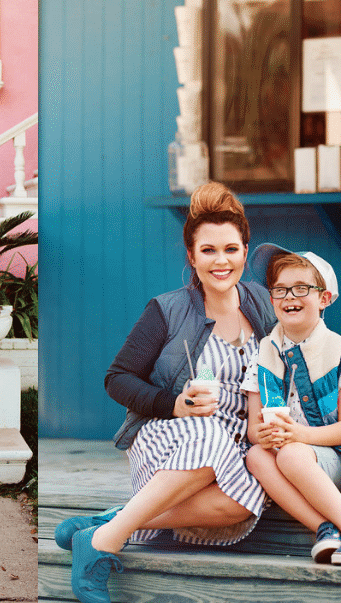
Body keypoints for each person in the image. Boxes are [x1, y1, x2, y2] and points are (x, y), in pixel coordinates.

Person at [54, 182, 276, 603]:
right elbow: (117, 378)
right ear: (192, 256)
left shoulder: (262, 305)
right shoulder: (168, 308)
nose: (221, 260)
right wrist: (174, 403)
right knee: (209, 439)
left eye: (231, 249)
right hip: (169, 434)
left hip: (234, 447)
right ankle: (101, 546)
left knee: (245, 504)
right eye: (208, 250)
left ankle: (109, 523)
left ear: (245, 252)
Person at [239, 245, 341, 566]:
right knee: (254, 454)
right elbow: (253, 428)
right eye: (280, 289)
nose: (290, 296)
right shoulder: (262, 355)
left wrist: (297, 436)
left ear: (324, 298)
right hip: (289, 460)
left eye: (302, 288)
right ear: (272, 300)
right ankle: (325, 529)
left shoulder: (340, 352)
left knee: (292, 453)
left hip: (338, 462)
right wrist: (263, 436)